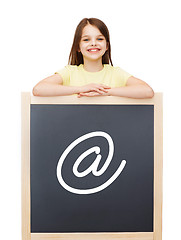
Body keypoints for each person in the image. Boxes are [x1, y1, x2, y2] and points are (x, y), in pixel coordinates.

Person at [33, 18, 154, 98]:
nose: (93, 43)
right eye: (86, 39)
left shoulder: (115, 73)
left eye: (99, 39)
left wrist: (105, 92)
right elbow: (38, 90)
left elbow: (147, 91)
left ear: (106, 46)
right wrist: (81, 89)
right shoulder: (70, 72)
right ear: (78, 47)